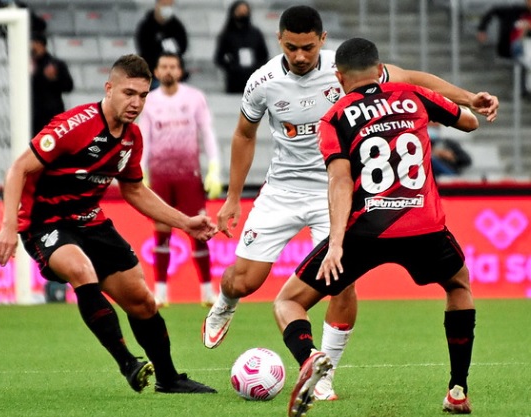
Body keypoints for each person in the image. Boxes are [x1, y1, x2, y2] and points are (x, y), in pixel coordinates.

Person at [202, 5, 497, 402]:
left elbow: (411, 78)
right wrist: (233, 197)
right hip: (284, 190)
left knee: (341, 286)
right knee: (244, 280)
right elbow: (243, 134)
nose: (301, 56)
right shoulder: (262, 82)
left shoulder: (347, 74)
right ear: (279, 41)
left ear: (323, 42)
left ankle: (323, 374)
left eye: (308, 47)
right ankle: (226, 302)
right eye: (292, 47)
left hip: (341, 196)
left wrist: (467, 96)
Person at [0, 54, 217, 395]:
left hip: (90, 221)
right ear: (108, 89)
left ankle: (169, 379)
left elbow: (135, 191)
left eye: (142, 95)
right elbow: (18, 168)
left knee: (143, 302)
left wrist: (185, 222)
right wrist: (7, 226)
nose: (136, 103)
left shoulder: (131, 139)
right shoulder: (73, 125)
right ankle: (128, 363)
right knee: (81, 270)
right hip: (44, 222)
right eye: (128, 93)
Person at [275, 37, 478, 416]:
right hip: (424, 226)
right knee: (458, 285)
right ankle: (457, 389)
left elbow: (339, 181)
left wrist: (335, 244)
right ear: (379, 66)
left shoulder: (334, 117)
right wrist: (456, 108)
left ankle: (309, 357)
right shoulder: (412, 94)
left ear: (338, 77)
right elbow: (468, 122)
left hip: (364, 231)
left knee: (288, 301)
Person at [138, 52, 222, 307]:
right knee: (161, 233)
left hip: (188, 174)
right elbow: (144, 135)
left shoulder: (195, 98)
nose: (168, 71)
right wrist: (140, 169)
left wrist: (214, 167)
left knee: (198, 232)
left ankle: (207, 291)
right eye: (163, 66)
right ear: (156, 71)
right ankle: (161, 292)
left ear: (180, 70)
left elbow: (207, 132)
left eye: (173, 66)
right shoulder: (149, 101)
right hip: (160, 174)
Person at [214, 0, 269, 93]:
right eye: (239, 11)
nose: (243, 14)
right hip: (234, 79)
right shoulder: (227, 34)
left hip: (254, 78)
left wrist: (257, 68)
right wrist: (231, 67)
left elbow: (264, 55)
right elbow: (219, 58)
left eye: (245, 11)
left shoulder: (256, 33)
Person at [135, 0, 188, 89]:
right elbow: (144, 50)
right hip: (153, 75)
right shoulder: (146, 26)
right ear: (157, 5)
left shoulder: (176, 26)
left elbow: (183, 46)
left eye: (170, 5)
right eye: (164, 5)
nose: (167, 8)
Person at [31, 31, 74, 137]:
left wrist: (54, 79)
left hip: (51, 114)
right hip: (32, 114)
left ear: (40, 44)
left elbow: (68, 86)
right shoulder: (26, 64)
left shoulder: (56, 64)